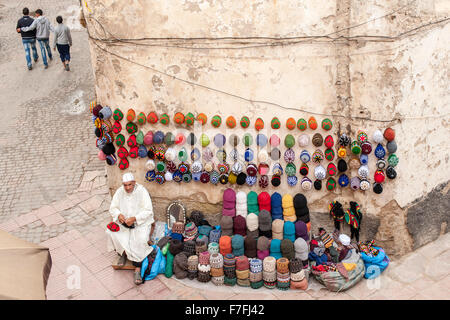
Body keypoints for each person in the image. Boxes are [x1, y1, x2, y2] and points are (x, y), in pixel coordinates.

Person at [106, 173, 156, 285]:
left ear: (134, 183)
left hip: (140, 223)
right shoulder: (120, 192)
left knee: (140, 239)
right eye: (125, 185)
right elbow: (113, 208)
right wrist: (119, 215)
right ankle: (123, 253)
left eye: (130, 185)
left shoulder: (142, 191)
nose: (127, 188)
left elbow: (148, 211)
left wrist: (134, 218)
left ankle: (137, 270)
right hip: (124, 223)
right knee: (111, 232)